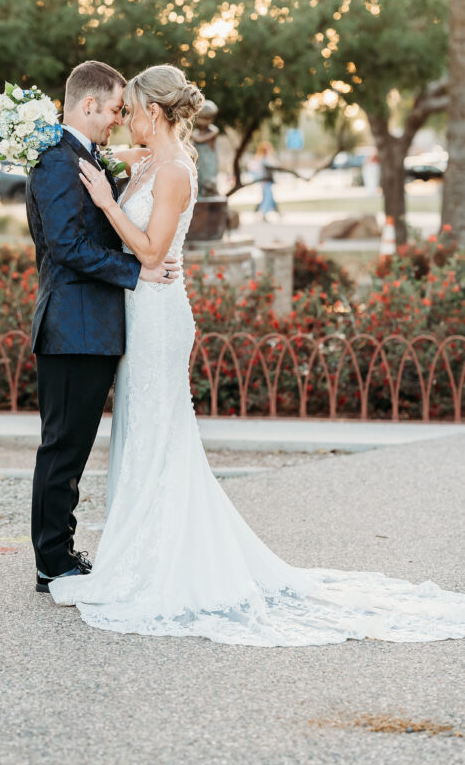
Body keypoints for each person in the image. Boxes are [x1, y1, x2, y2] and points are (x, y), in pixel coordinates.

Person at [48, 63, 465, 647]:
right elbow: (98, 172)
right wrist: (84, 161)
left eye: (134, 109)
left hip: (160, 313)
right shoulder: (146, 164)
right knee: (140, 431)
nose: (125, 119)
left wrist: (107, 204)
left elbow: (149, 251)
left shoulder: (174, 172)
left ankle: (164, 557)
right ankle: (136, 546)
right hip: (136, 314)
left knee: (158, 429)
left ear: (157, 113)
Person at [26, 61, 179, 592]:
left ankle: (61, 550)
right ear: (88, 106)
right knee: (63, 447)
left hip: (91, 327)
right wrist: (138, 271)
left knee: (74, 446)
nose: (118, 119)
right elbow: (67, 247)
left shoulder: (82, 155)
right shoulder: (54, 161)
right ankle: (52, 560)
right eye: (115, 109)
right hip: (72, 328)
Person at [250, 140, 279, 219]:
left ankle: (273, 211)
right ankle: (264, 213)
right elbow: (254, 170)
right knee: (267, 197)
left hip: (268, 181)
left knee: (269, 197)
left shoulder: (267, 158)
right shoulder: (260, 159)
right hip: (264, 181)